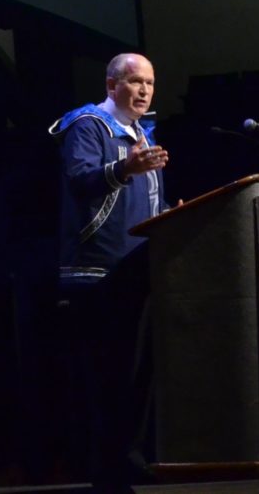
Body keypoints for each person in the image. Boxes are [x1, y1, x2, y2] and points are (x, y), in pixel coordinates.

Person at [49, 53, 176, 492]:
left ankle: (128, 458)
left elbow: (148, 205)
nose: (144, 91)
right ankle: (102, 470)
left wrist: (171, 217)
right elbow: (81, 179)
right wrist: (125, 168)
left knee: (135, 376)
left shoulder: (143, 134)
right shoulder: (89, 126)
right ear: (111, 85)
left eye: (151, 83)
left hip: (140, 273)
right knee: (104, 378)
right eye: (135, 82)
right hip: (97, 276)